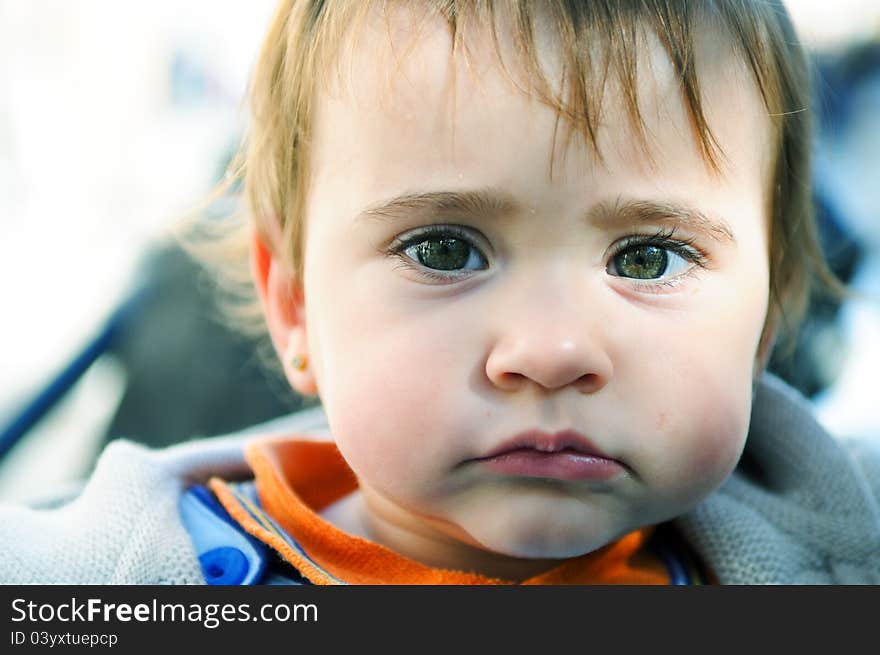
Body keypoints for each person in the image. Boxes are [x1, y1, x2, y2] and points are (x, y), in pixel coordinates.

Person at [1, 0, 878, 585]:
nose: (551, 350)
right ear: (296, 305)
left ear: (767, 314)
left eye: (647, 258)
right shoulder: (104, 584)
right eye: (446, 248)